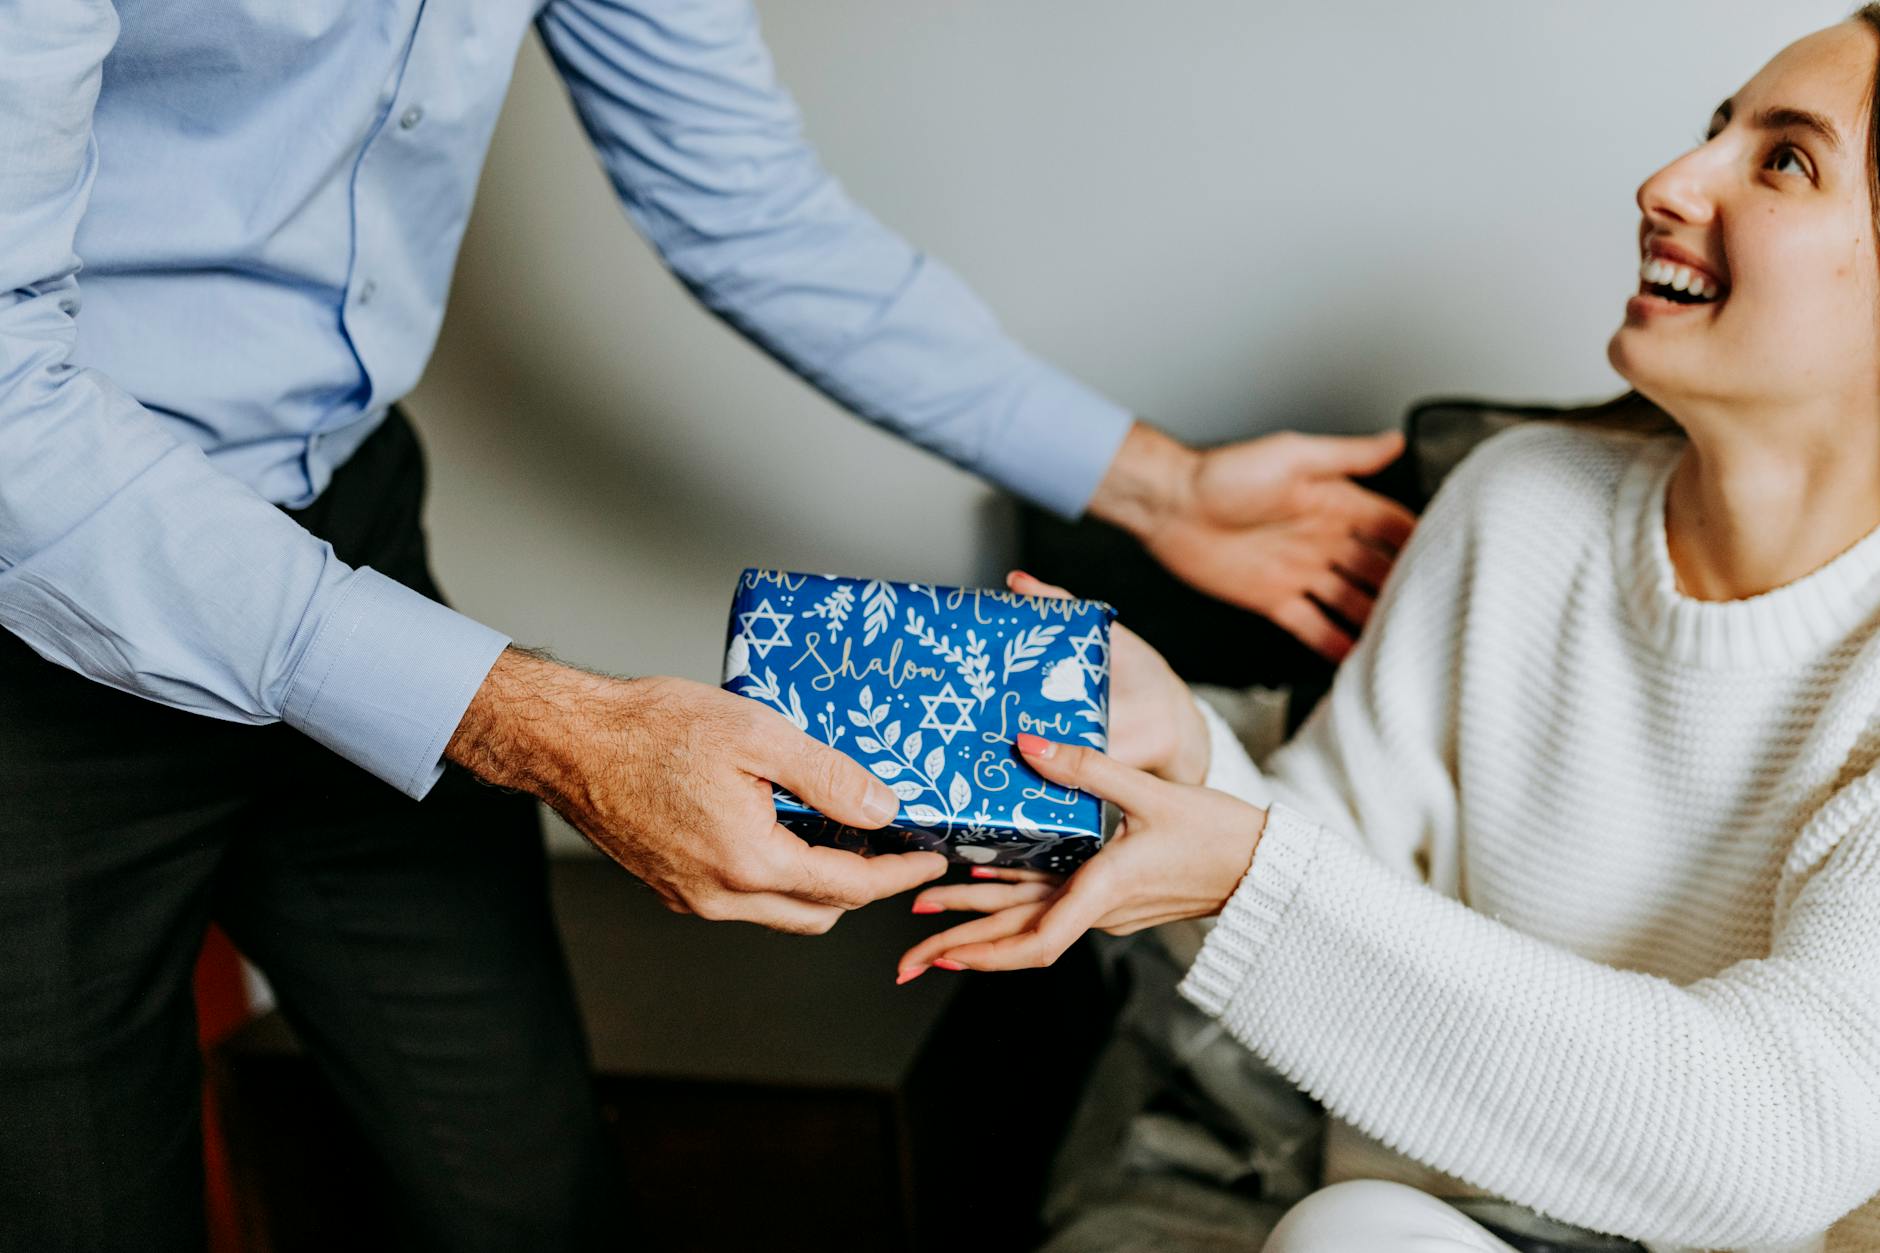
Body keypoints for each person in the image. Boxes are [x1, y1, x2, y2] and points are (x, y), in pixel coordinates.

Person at [0, 1, 1416, 1250]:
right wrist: (543, 721)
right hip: (32, 631)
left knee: (526, 1187)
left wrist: (1158, 487)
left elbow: (749, 207)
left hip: (347, 531)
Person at [900, 10, 1880, 1249]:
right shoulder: (1518, 504)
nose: (1666, 182)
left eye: (1783, 158)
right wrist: (1189, 762)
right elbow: (1323, 876)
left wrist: (1249, 868)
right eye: (1711, 131)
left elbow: (1773, 1144)